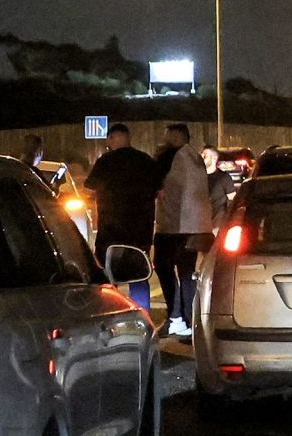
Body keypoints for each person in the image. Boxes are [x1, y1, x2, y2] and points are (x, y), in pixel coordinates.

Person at [84, 123, 161, 311]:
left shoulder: (105, 162)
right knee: (139, 275)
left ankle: (109, 314)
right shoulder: (145, 161)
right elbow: (160, 191)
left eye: (109, 139)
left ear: (114, 138)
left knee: (108, 278)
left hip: (110, 231)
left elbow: (89, 188)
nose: (108, 143)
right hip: (140, 231)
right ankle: (143, 318)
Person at [153, 123, 212, 339]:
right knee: (187, 273)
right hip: (196, 225)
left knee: (164, 267)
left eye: (168, 136)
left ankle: (176, 317)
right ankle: (188, 318)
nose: (164, 140)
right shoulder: (195, 158)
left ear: (177, 137)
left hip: (173, 225)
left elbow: (155, 181)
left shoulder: (170, 156)